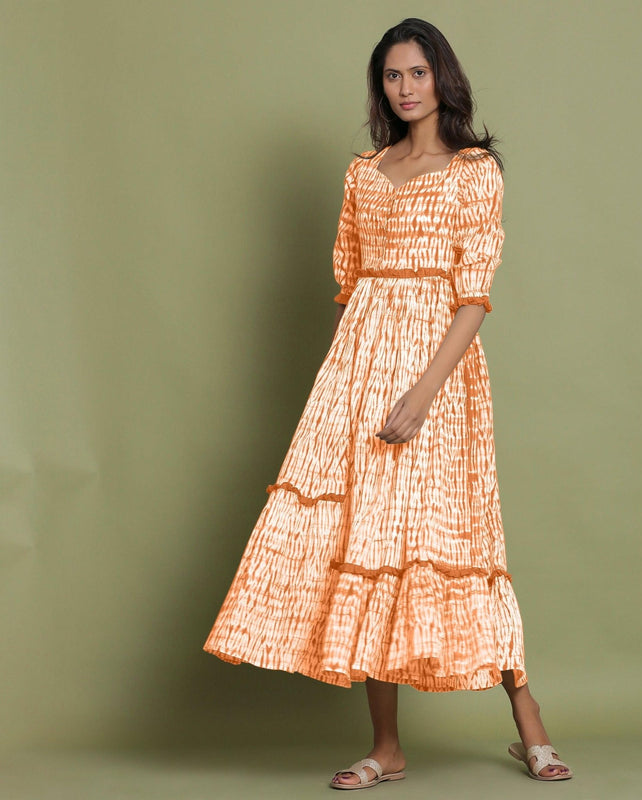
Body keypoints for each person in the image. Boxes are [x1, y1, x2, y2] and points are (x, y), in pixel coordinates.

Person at [203, 17, 573, 789]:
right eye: (392, 76)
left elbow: (473, 296)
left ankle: (527, 716)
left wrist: (423, 390)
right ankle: (387, 746)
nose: (405, 89)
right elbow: (350, 288)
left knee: (457, 536)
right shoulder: (363, 174)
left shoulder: (475, 172)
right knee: (369, 541)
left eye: (417, 73)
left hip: (438, 373)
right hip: (358, 374)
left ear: (443, 76)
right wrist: (346, 385)